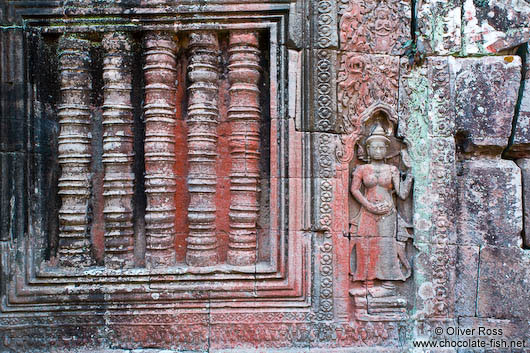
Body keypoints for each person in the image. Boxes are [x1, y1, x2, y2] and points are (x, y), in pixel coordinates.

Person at [349, 124, 412, 297]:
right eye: (374, 147)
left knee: (386, 246)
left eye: (381, 147)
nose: (378, 150)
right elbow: (354, 190)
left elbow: (402, 194)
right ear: (368, 149)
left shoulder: (392, 170)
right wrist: (368, 205)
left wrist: (411, 173)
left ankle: (388, 285)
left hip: (387, 214)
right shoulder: (362, 169)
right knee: (365, 244)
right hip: (368, 211)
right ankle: (367, 283)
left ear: (386, 149)